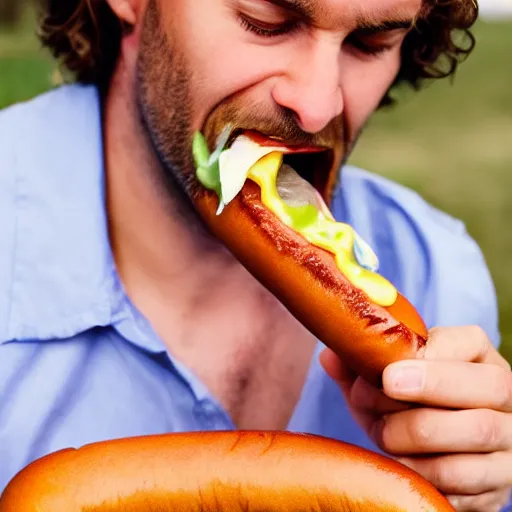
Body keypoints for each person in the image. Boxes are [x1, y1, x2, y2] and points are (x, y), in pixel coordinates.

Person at [0, 0, 511, 509]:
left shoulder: (441, 275)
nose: (317, 104)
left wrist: (478, 485)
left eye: (369, 44)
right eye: (266, 23)